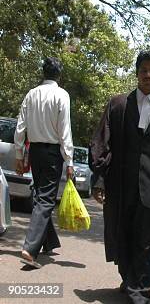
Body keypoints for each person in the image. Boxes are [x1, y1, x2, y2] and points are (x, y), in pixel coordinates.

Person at [89, 51, 150, 303]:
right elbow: (103, 143)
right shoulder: (118, 105)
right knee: (122, 234)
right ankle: (129, 277)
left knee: (146, 239)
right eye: (143, 70)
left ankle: (141, 288)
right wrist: (99, 179)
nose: (147, 75)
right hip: (121, 185)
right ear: (137, 73)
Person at [14, 57, 74, 269]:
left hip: (35, 151)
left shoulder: (31, 94)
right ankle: (30, 250)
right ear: (59, 75)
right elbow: (64, 130)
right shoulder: (61, 95)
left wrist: (20, 155)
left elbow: (20, 127)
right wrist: (69, 160)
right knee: (46, 200)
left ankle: (49, 241)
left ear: (44, 72)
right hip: (51, 153)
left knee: (41, 196)